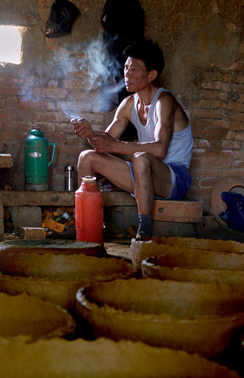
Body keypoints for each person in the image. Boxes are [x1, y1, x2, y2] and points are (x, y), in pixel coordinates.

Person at [73, 39, 193, 240]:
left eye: (135, 69)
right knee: (87, 157)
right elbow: (105, 143)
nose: (127, 73)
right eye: (126, 67)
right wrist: (90, 134)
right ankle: (85, 224)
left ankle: (144, 231)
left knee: (141, 157)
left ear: (151, 75)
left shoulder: (165, 101)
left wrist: (115, 145)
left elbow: (161, 149)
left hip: (172, 178)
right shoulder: (128, 103)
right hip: (142, 175)